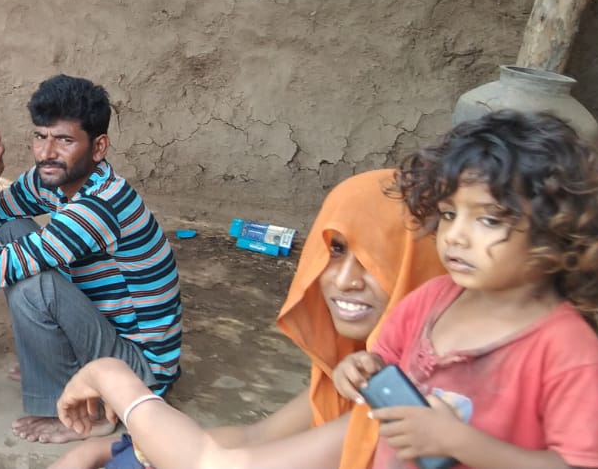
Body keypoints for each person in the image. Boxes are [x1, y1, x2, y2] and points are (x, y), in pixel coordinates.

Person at [48, 168, 444, 469]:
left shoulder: (412, 402)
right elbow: (256, 435)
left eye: (379, 259)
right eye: (336, 250)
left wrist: (110, 377)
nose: (344, 280)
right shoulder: (364, 371)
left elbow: (214, 464)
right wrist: (112, 447)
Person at [332, 111, 598, 469]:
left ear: (558, 231)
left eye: (489, 219)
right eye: (449, 214)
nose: (455, 236)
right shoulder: (429, 300)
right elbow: (383, 362)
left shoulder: (566, 350)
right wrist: (359, 370)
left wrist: (459, 442)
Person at [0, 74, 183, 444]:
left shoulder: (100, 205)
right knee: (12, 231)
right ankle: (55, 367)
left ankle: (89, 414)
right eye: (40, 136)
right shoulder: (52, 179)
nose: (47, 153)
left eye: (64, 140)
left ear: (98, 147)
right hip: (106, 338)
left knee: (34, 286)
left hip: (139, 371)